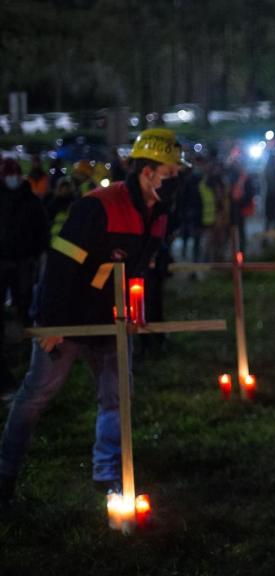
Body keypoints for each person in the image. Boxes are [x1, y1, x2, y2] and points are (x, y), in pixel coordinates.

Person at [0, 128, 185, 508]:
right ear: (146, 171)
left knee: (117, 397)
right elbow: (59, 268)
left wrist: (135, 314)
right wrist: (51, 325)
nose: (177, 179)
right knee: (37, 396)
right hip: (68, 318)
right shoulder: (98, 206)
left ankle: (108, 472)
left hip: (110, 320)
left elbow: (139, 271)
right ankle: (5, 475)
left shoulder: (159, 216)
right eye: (170, 172)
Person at [0, 159, 50, 392]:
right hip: (3, 259)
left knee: (24, 295)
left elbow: (42, 227)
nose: (12, 178)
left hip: (23, 259)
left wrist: (38, 250)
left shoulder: (30, 200)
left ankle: (25, 334)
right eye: (8, 174)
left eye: (14, 174)